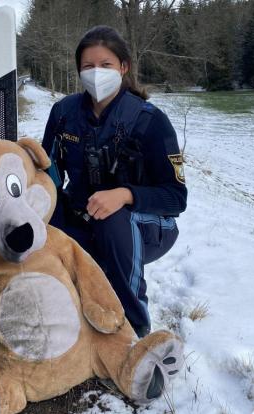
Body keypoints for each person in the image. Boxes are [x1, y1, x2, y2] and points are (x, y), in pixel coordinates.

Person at [41, 25, 187, 338]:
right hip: (84, 219)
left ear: (123, 67)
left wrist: (124, 195)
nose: (96, 73)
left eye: (105, 65)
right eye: (87, 66)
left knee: (112, 217)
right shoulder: (63, 114)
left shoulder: (150, 121)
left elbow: (176, 198)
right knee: (43, 210)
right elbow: (47, 174)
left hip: (146, 227)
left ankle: (133, 326)